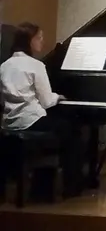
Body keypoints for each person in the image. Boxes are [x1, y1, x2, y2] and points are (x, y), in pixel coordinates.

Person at [0, 22, 83, 197]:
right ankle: (72, 186)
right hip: (30, 120)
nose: (42, 42)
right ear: (29, 40)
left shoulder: (4, 65)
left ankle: (41, 186)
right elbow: (46, 101)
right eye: (39, 38)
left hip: (9, 122)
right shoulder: (35, 65)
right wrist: (58, 96)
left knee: (60, 125)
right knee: (72, 130)